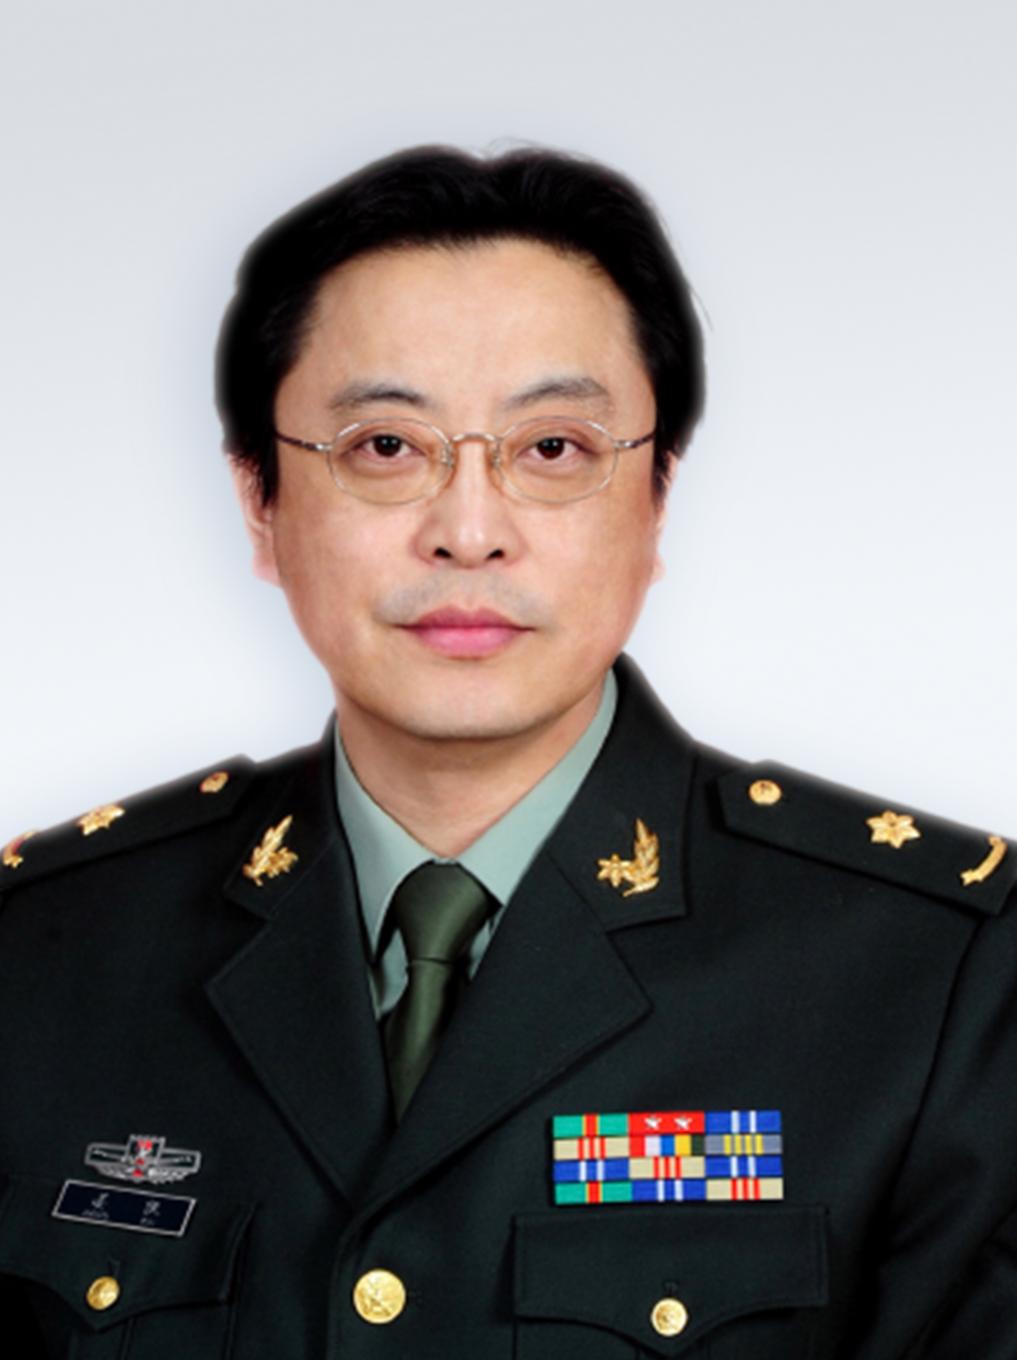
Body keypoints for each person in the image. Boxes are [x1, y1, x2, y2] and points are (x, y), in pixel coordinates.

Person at [0, 145, 1014, 1360]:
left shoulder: (939, 972)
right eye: (385, 447)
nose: (470, 531)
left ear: (657, 497)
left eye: (553, 450)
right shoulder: (43, 951)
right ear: (261, 502)